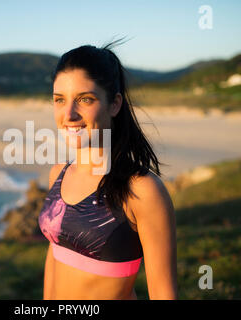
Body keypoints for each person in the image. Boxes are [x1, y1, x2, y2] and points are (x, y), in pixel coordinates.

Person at [38, 39, 177, 300]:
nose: (68, 114)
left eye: (85, 99)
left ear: (114, 104)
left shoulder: (141, 190)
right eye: (59, 100)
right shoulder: (58, 174)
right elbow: (54, 253)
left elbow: (163, 293)